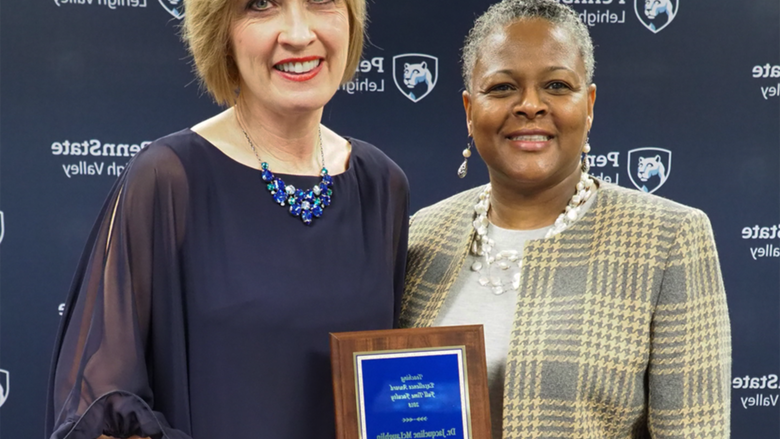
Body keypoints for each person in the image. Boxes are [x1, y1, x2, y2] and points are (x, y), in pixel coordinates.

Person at [46, 0, 409, 438]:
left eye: (321, 1)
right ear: (221, 32)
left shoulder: (382, 185)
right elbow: (97, 410)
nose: (297, 33)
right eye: (261, 5)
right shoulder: (167, 178)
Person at [400, 1, 730, 438]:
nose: (530, 105)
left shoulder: (668, 239)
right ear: (468, 110)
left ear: (588, 104)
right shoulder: (422, 234)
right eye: (501, 88)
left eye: (556, 85)